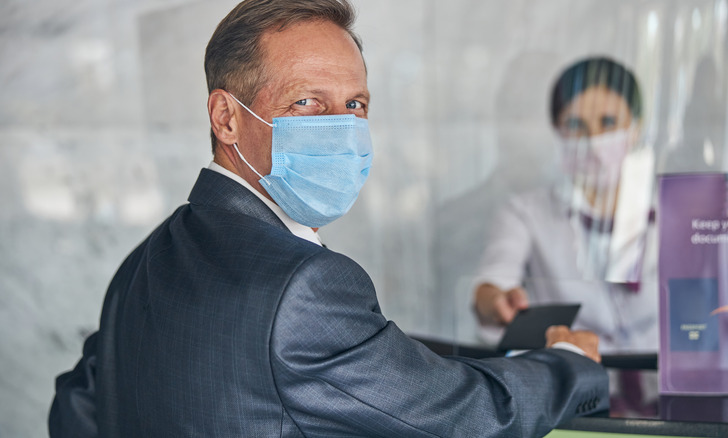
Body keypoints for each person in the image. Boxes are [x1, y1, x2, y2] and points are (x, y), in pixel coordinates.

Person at [48, 1, 609, 436]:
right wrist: (568, 363)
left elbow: (78, 404)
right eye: (306, 103)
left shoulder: (146, 260)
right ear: (226, 117)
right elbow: (471, 418)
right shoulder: (305, 286)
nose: (342, 128)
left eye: (355, 104)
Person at [473, 56, 658, 354]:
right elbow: (492, 282)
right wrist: (497, 300)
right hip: (575, 390)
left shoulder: (674, 211)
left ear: (635, 128)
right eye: (575, 125)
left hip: (662, 387)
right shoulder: (525, 214)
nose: (594, 140)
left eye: (608, 123)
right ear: (557, 132)